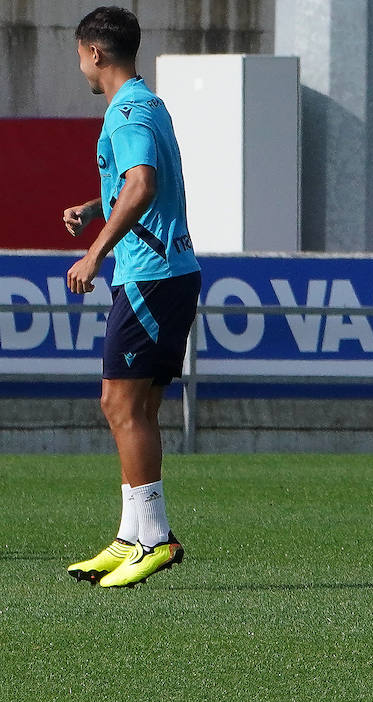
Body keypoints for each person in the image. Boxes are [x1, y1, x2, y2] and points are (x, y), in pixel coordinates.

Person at [63, 6, 201, 587]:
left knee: (119, 406)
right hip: (168, 271)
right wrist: (95, 206)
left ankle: (156, 538)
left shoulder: (124, 112)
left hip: (149, 275)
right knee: (137, 408)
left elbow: (143, 183)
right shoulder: (148, 101)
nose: (81, 69)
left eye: (79, 57)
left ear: (95, 52)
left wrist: (95, 252)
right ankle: (133, 536)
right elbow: (143, 179)